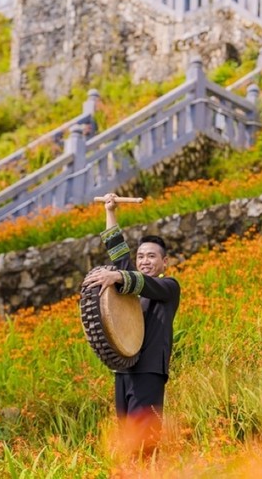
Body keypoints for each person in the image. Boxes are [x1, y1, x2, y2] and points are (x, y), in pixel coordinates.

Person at [83, 193, 180, 452]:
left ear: (164, 262)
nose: (145, 261)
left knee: (144, 440)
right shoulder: (132, 286)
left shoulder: (168, 287)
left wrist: (118, 276)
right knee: (127, 438)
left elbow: (135, 280)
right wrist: (110, 211)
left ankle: (150, 470)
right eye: (141, 257)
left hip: (149, 370)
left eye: (151, 256)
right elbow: (118, 254)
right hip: (124, 370)